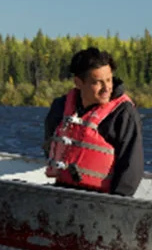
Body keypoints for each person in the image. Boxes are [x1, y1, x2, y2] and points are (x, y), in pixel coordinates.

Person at [42, 47, 144, 196]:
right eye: (97, 82)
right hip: (61, 191)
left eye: (109, 80)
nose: (106, 88)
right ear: (78, 82)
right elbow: (50, 145)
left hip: (100, 199)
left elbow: (131, 168)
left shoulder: (123, 114)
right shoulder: (60, 107)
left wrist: (115, 205)